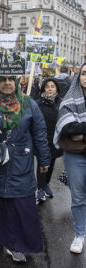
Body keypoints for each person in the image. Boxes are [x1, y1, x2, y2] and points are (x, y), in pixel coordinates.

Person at [0, 76, 50, 263]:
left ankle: (16, 244)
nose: (7, 83)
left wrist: (44, 158)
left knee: (19, 204)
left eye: (10, 79)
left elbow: (39, 131)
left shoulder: (28, 103)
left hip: (20, 160)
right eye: (2, 79)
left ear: (16, 82)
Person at [54, 63, 86, 254]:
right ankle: (80, 234)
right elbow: (67, 129)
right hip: (75, 156)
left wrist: (81, 134)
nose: (85, 77)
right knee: (78, 197)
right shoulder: (69, 99)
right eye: (83, 73)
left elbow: (76, 130)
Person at [36, 78, 63, 204]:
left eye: (53, 86)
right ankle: (39, 187)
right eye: (47, 87)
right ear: (43, 89)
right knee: (43, 163)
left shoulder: (61, 103)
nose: (50, 89)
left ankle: (46, 184)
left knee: (51, 162)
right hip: (42, 139)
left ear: (57, 88)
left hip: (55, 140)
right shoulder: (38, 104)